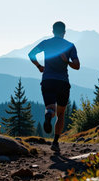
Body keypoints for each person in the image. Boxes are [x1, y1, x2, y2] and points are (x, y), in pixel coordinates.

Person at [28, 21, 80, 152]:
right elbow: (77, 66)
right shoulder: (70, 46)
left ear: (52, 31)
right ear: (64, 32)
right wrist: (66, 61)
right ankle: (55, 142)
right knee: (61, 114)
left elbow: (31, 54)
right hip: (62, 82)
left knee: (50, 108)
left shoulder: (46, 43)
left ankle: (49, 114)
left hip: (48, 80)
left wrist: (39, 66)